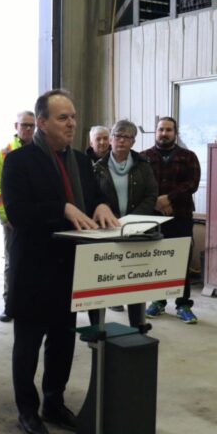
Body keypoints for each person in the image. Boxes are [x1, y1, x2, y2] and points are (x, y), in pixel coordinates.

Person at [1, 89, 118, 434]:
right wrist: (62, 209)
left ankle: (54, 401)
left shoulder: (81, 161)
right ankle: (27, 410)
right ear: (42, 122)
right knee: (28, 344)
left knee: (63, 343)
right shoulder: (19, 162)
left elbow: (95, 197)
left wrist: (99, 206)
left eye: (73, 117)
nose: (72, 124)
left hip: (71, 269)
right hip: (35, 270)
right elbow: (18, 214)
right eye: (63, 118)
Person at [90, 120, 158, 327]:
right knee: (100, 280)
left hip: (135, 231)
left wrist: (132, 221)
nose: (121, 140)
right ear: (110, 139)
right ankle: (96, 327)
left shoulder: (143, 165)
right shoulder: (97, 167)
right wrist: (109, 219)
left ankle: (138, 326)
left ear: (133, 141)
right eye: (118, 136)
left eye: (127, 137)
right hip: (104, 231)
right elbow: (91, 196)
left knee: (135, 279)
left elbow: (151, 194)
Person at [142, 116, 201, 324]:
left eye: (168, 130)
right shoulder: (144, 157)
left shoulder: (188, 157)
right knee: (157, 259)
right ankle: (158, 301)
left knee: (180, 259)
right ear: (155, 132)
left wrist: (168, 198)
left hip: (181, 216)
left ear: (175, 133)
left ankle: (183, 305)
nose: (164, 134)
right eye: (160, 130)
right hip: (153, 217)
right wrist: (157, 201)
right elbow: (141, 184)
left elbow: (192, 184)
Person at [0, 110, 35, 323]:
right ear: (15, 127)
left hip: (37, 220)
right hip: (13, 221)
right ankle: (10, 305)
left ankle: (34, 303)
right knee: (12, 262)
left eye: (31, 126)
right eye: (24, 125)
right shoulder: (4, 155)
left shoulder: (42, 151)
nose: (28, 129)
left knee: (37, 262)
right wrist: (5, 217)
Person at [85, 124, 124, 313]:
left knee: (114, 261)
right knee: (92, 264)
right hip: (89, 221)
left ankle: (114, 298)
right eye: (97, 139)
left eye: (104, 138)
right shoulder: (81, 162)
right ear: (90, 142)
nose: (101, 142)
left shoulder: (118, 161)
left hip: (114, 218)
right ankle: (88, 299)